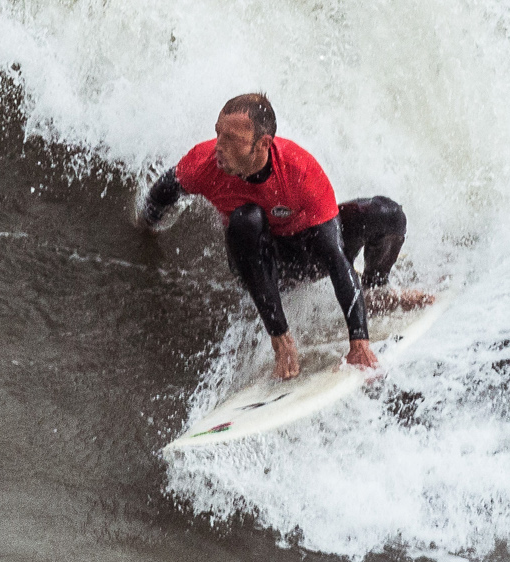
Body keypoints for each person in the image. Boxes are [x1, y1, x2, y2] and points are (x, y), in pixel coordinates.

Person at [134, 93, 429, 379]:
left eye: (232, 139)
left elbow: (335, 257)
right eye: (218, 133)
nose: (218, 147)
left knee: (388, 213)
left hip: (309, 256)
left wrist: (359, 343)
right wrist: (145, 226)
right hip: (258, 264)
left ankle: (376, 290)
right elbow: (163, 192)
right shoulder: (204, 163)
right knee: (245, 218)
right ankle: (282, 341)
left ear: (263, 144)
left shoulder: (299, 171)